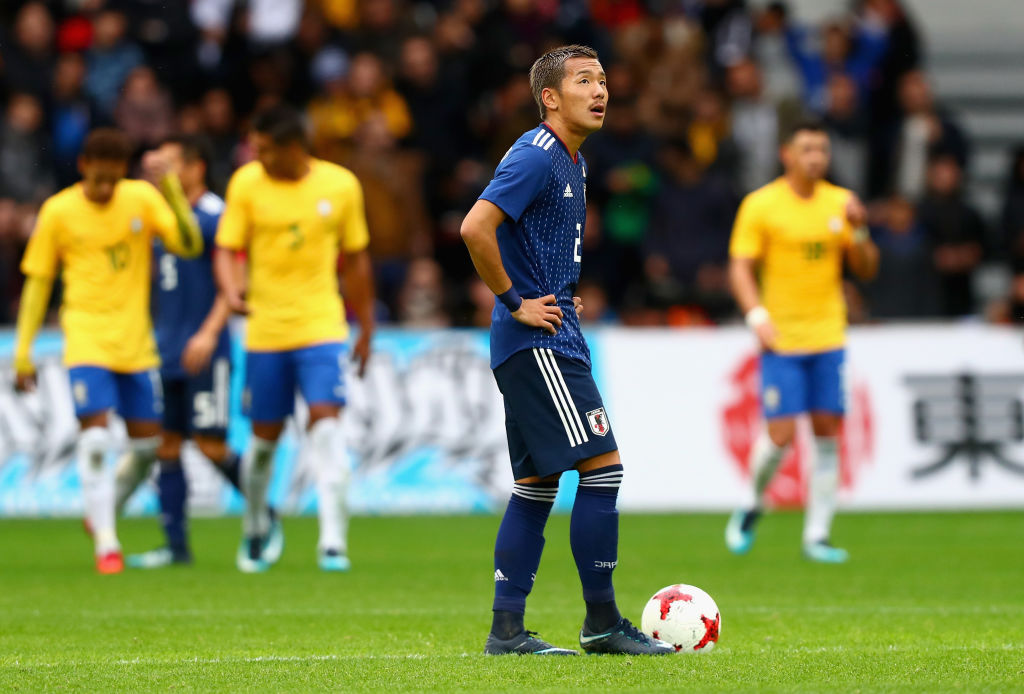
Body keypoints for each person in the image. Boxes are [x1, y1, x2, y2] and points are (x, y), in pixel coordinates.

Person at [460, 44, 673, 656]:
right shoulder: (538, 154)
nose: (600, 91)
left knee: (536, 485)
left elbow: (527, 240)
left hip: (543, 337)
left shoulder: (572, 161)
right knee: (603, 469)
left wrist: (550, 289)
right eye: (584, 81)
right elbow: (475, 227)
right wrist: (515, 300)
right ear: (550, 98)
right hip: (539, 342)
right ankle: (602, 622)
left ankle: (507, 631)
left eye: (603, 80)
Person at [14, 128, 202, 574]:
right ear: (83, 167)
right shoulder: (59, 211)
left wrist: (170, 187)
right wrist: (23, 350)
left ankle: (102, 510)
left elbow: (189, 245)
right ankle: (107, 544)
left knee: (147, 447)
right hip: (86, 339)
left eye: (112, 181)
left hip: (136, 344)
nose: (104, 189)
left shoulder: (142, 198)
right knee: (96, 440)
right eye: (98, 179)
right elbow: (38, 282)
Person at [214, 105, 375, 574]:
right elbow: (226, 248)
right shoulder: (246, 183)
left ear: (293, 147)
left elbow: (356, 259)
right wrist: (231, 289)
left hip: (321, 327)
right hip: (265, 331)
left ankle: (333, 543)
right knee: (264, 442)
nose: (258, 157)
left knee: (326, 427)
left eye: (265, 150)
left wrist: (366, 326)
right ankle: (255, 526)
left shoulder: (340, 186)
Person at [121, 134, 281, 569]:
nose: (163, 172)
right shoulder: (162, 217)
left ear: (196, 168)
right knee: (167, 445)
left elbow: (234, 282)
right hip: (164, 349)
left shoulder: (214, 216)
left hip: (206, 349)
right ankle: (176, 548)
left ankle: (265, 515)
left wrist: (209, 333)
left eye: (171, 163)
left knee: (210, 445)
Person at [724, 121, 879, 564]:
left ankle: (817, 535)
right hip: (782, 339)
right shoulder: (761, 205)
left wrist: (860, 230)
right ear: (787, 154)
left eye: (822, 149)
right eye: (807, 148)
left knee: (828, 436)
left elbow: (866, 269)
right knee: (781, 435)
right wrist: (756, 315)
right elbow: (740, 267)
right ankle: (752, 501)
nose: (816, 157)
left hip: (828, 336)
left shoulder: (840, 202)